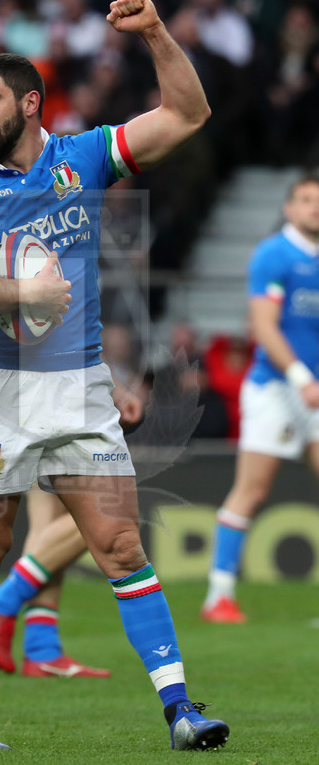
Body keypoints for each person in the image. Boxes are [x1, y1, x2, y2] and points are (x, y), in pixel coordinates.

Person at [0, 0, 229, 753]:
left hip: (80, 387)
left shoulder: (80, 159)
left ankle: (180, 709)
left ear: (31, 102)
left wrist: (156, 32)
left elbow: (186, 115)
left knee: (121, 546)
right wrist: (25, 291)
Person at [201, 175, 319, 623]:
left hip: (314, 392)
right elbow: (264, 327)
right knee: (252, 490)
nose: (314, 208)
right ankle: (219, 596)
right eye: (306, 200)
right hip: (276, 389)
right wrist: (299, 376)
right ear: (289, 208)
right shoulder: (274, 254)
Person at [0, 380, 144, 678]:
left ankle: (41, 649)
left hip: (32, 394)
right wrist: (114, 389)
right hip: (52, 394)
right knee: (106, 510)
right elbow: (66, 339)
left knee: (48, 519)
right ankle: (4, 600)